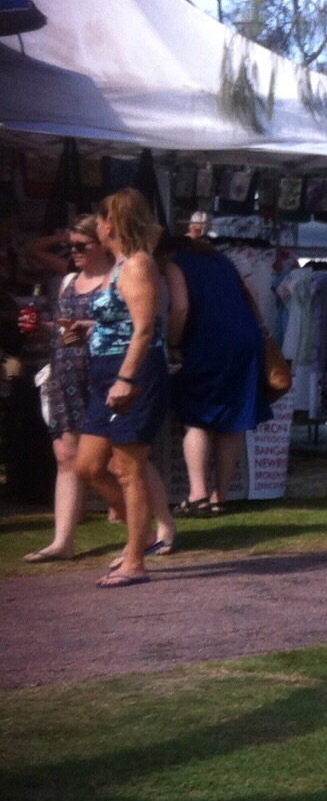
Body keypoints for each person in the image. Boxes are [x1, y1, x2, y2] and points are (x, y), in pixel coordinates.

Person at [75, 189, 177, 587]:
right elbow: (122, 319)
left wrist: (126, 378)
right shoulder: (120, 265)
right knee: (88, 466)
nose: (97, 227)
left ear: (110, 225)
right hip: (107, 371)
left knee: (129, 468)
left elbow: (145, 328)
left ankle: (135, 560)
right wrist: (89, 328)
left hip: (133, 374)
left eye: (100, 220)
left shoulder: (137, 264)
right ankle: (143, 534)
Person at [21, 216, 131, 563]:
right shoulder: (69, 280)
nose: (74, 252)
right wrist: (46, 328)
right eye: (71, 246)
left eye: (81, 245)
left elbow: (130, 327)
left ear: (102, 244)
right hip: (66, 374)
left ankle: (146, 527)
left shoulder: (119, 278)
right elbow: (69, 333)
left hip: (103, 375)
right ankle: (63, 541)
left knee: (116, 460)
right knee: (66, 457)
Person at [162, 235, 269, 518]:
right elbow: (253, 295)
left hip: (208, 342)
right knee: (232, 422)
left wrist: (172, 343)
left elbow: (181, 307)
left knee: (196, 418)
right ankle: (220, 496)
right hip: (245, 341)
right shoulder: (222, 260)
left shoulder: (176, 263)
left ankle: (197, 495)